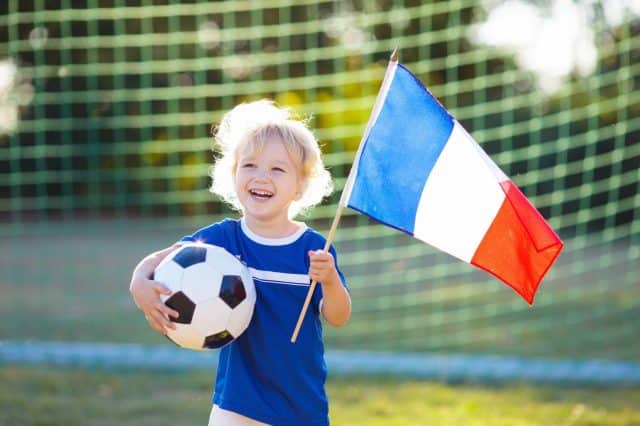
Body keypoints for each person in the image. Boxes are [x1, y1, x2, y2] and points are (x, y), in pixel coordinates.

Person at [129, 99, 352, 426]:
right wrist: (139, 283)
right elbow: (161, 259)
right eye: (250, 166)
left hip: (302, 406)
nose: (261, 177)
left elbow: (338, 316)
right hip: (237, 405)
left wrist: (330, 281)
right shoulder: (222, 240)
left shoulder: (314, 248)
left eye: (277, 169)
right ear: (233, 175)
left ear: (300, 187)